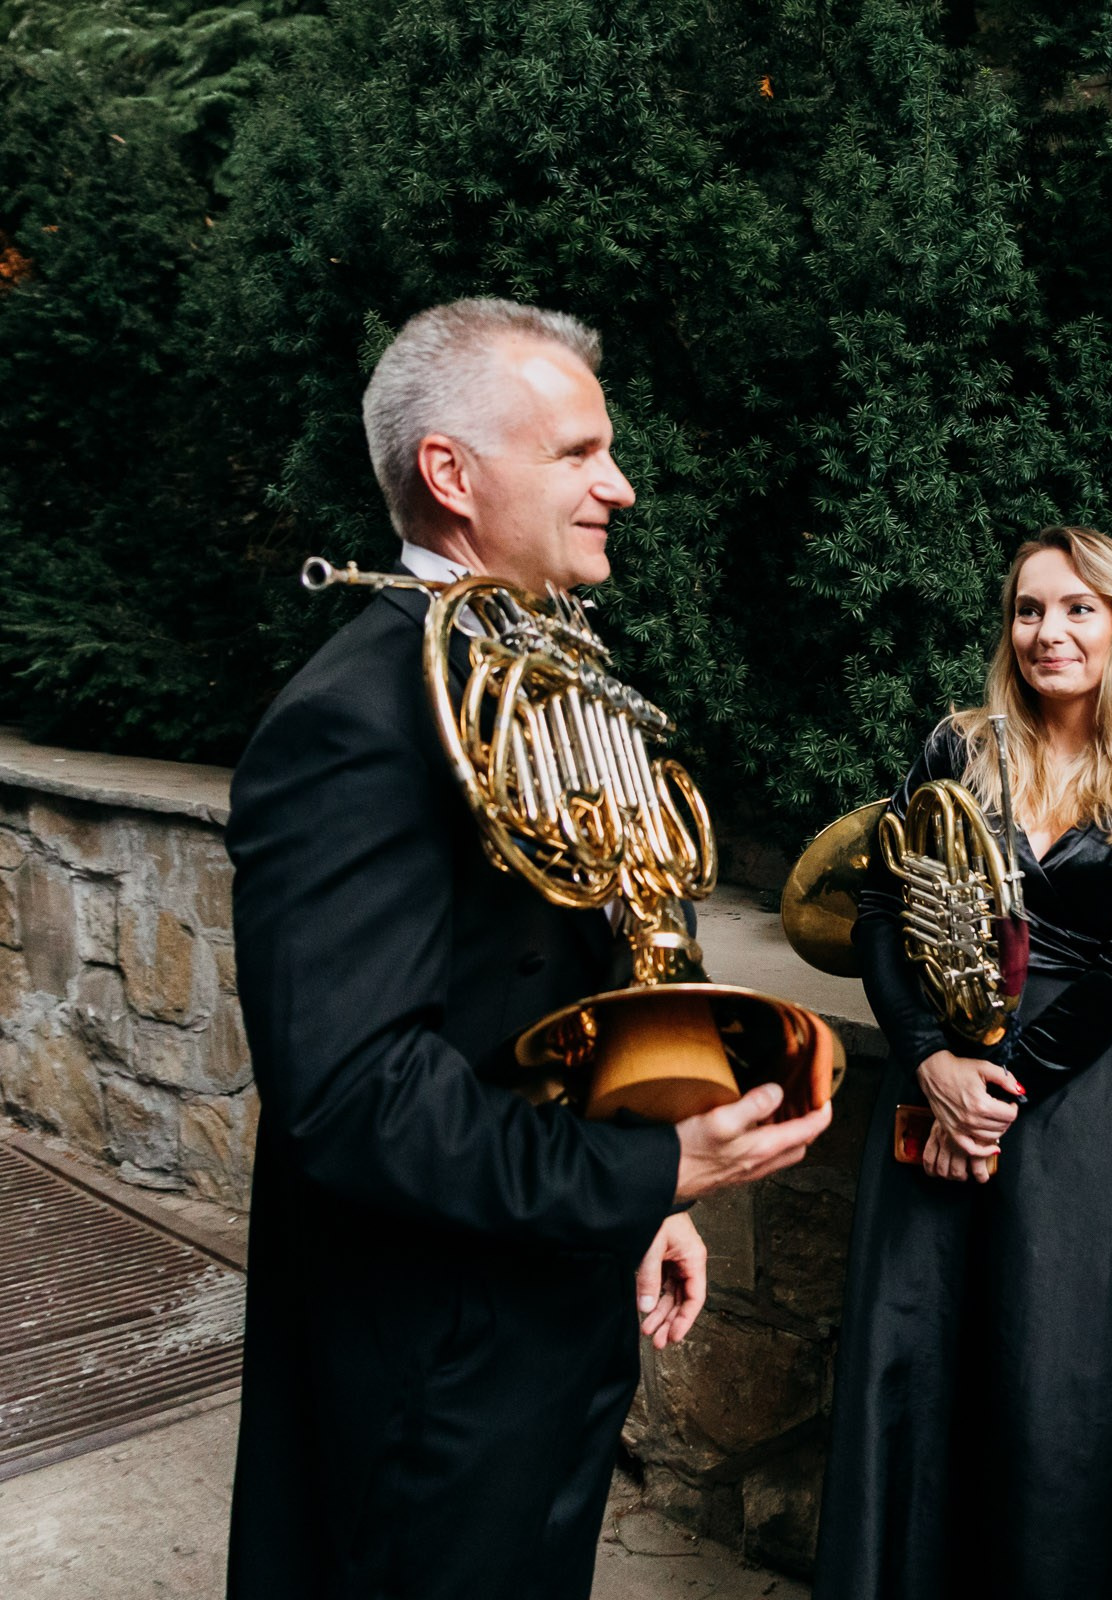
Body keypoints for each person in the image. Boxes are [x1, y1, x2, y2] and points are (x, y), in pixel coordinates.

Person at [226, 298, 833, 1599]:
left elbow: (541, 1007)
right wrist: (643, 1169)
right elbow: (355, 1096)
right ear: (451, 475)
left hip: (538, 1316)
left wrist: (629, 1204)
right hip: (430, 1367)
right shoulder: (358, 717)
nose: (617, 485)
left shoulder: (543, 670)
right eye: (575, 454)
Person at [816, 525, 1112, 1600]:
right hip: (941, 1069)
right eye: (1029, 609)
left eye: (1078, 608)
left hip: (1075, 1106)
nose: (1050, 632)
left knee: (1063, 1382)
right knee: (929, 1369)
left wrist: (994, 1096)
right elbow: (875, 904)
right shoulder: (959, 746)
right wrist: (929, 1063)